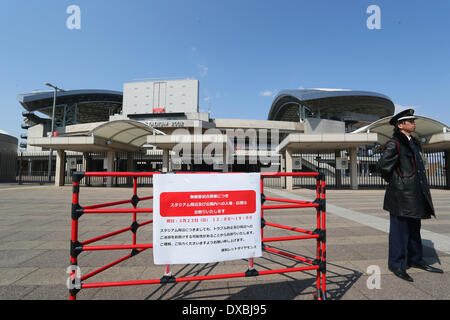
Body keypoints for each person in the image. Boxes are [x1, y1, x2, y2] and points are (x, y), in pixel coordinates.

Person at [378, 108, 443, 282]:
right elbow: (383, 167)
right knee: (399, 232)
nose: (414, 123)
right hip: (401, 195)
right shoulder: (395, 143)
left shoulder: (413, 142)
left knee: (415, 230)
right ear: (400, 125)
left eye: (413, 121)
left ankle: (416, 260)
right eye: (410, 121)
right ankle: (396, 265)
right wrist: (399, 181)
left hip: (415, 193)